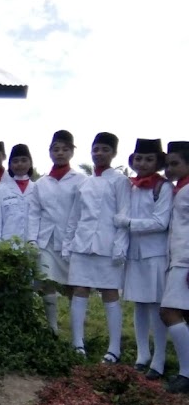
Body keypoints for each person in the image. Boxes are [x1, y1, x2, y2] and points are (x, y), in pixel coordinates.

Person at [63, 132, 131, 362]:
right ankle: (77, 344)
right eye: (96, 149)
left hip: (108, 246)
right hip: (82, 244)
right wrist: (68, 243)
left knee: (110, 294)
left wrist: (120, 245)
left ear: (113, 153)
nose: (99, 153)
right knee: (79, 290)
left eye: (104, 149)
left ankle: (114, 349)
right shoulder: (85, 182)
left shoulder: (120, 181)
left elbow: (124, 214)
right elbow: (75, 216)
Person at [116, 139, 172, 378]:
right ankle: (142, 353)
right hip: (134, 254)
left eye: (149, 159)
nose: (143, 163)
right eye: (139, 158)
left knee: (156, 307)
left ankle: (159, 359)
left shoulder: (164, 187)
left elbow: (161, 223)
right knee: (139, 304)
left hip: (155, 255)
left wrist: (128, 223)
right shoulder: (132, 186)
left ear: (158, 162)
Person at [27, 130, 86, 333]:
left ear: (72, 152)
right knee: (46, 280)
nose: (60, 153)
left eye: (64, 149)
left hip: (71, 241)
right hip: (46, 240)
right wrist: (32, 240)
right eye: (55, 149)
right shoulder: (41, 183)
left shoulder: (80, 180)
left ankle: (77, 333)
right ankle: (53, 327)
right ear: (50, 152)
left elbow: (82, 212)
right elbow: (34, 213)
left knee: (73, 285)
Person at [160, 141, 189, 393]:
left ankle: (186, 374)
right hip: (177, 259)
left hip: (185, 261)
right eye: (167, 164)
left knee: (168, 312)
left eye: (175, 164)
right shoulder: (179, 189)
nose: (169, 169)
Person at [0, 143, 36, 242]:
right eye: (15, 161)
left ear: (30, 163)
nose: (19, 164)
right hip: (8, 245)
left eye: (24, 160)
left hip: (31, 245)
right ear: (10, 165)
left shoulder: (37, 189)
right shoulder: (1, 190)